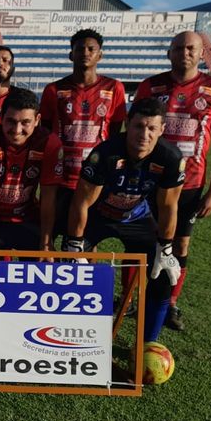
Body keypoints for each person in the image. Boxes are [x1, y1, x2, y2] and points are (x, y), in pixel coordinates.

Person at [134, 31, 211, 330]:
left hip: (189, 183)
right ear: (169, 52)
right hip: (149, 179)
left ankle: (171, 302)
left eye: (191, 48)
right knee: (141, 240)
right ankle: (135, 299)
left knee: (180, 244)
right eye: (179, 48)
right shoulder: (151, 86)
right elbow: (134, 131)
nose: (184, 53)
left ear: (202, 54)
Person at [63, 98, 184, 343]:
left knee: (161, 276)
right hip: (99, 216)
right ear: (128, 124)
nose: (144, 134)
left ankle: (147, 344)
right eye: (139, 126)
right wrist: (75, 244)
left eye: (152, 128)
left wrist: (166, 247)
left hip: (137, 218)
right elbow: (82, 203)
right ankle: (69, 336)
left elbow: (169, 206)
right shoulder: (105, 154)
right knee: (68, 269)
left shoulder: (171, 157)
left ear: (162, 130)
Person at [40, 29, 126, 238]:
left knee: (87, 240)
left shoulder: (114, 88)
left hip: (95, 177)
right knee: (50, 234)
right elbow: (46, 131)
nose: (85, 52)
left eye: (91, 49)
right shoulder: (54, 90)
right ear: (71, 54)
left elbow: (115, 134)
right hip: (60, 177)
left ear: (100, 55)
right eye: (79, 49)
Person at [0, 88, 63, 253]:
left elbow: (48, 196)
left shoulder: (49, 143)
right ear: (1, 118)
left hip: (27, 217)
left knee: (41, 269)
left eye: (25, 122)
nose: (17, 130)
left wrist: (46, 243)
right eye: (11, 121)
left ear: (37, 120)